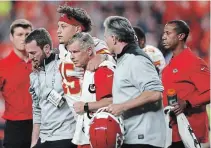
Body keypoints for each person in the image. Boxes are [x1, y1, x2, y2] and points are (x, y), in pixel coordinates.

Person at [103, 16, 166, 148]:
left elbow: (155, 93)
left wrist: (121, 106)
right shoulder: (125, 58)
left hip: (144, 138)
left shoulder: (136, 59)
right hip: (134, 136)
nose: (105, 41)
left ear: (114, 38)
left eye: (106, 37)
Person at [161, 20, 210, 148]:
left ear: (180, 36)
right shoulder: (167, 68)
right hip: (172, 132)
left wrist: (188, 103)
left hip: (190, 133)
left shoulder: (194, 62)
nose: (163, 37)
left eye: (168, 33)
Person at [25, 28, 77, 148]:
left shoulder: (66, 65)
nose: (29, 58)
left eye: (33, 53)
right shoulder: (34, 76)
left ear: (46, 49)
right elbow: (37, 110)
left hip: (66, 136)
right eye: (28, 53)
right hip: (44, 138)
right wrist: (34, 142)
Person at [57, 5, 113, 107]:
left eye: (63, 27)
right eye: (58, 26)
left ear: (77, 29)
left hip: (91, 109)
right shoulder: (61, 49)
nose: (58, 31)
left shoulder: (93, 44)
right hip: (74, 116)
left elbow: (111, 57)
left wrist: (102, 57)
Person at [66, 32, 115, 148]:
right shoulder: (86, 70)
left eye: (76, 52)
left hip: (99, 139)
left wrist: (85, 106)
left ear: (89, 51)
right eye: (70, 52)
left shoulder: (102, 70)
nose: (72, 56)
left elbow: (112, 102)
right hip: (86, 137)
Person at [0, 19, 33, 148]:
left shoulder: (41, 64)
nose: (24, 39)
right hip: (15, 128)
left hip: (42, 126)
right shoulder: (3, 66)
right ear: (11, 38)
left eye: (27, 35)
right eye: (19, 35)